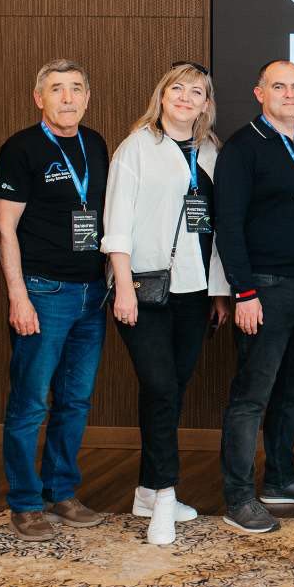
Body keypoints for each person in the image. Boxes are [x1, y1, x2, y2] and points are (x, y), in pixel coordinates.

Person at [102, 61, 232, 546]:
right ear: (161, 95)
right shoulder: (136, 148)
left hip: (194, 292)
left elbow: (217, 228)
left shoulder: (212, 151)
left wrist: (219, 291)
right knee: (159, 387)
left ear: (205, 104)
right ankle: (164, 496)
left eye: (196, 92)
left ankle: (146, 489)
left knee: (170, 390)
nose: (185, 97)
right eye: (177, 88)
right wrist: (122, 286)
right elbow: (116, 221)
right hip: (143, 289)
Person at [214, 59, 294, 534]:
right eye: (279, 86)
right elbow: (228, 225)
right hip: (264, 288)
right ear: (259, 93)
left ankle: (281, 478)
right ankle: (238, 497)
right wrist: (243, 292)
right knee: (251, 396)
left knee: (293, 390)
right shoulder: (243, 148)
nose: (289, 93)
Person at [0, 59, 111, 541]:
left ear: (87, 97)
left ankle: (62, 492)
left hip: (92, 294)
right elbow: (4, 228)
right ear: (39, 98)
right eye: (57, 89)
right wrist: (18, 297)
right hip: (43, 292)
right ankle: (25, 502)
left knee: (75, 401)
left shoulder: (96, 144)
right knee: (30, 403)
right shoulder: (21, 148)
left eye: (76, 88)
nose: (68, 98)